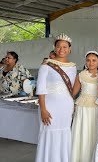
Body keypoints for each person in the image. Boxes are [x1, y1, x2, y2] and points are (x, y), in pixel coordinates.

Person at [35, 33, 77, 162]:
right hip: (49, 106)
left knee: (64, 133)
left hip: (66, 106)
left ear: (69, 49)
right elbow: (41, 89)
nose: (61, 49)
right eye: (59, 46)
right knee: (49, 133)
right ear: (54, 47)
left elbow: (73, 89)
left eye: (65, 47)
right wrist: (43, 109)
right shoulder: (46, 65)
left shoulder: (73, 67)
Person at [71, 51, 98, 162]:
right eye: (88, 60)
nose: (91, 63)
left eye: (94, 60)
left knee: (95, 133)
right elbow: (74, 93)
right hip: (83, 108)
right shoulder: (81, 75)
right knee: (82, 133)